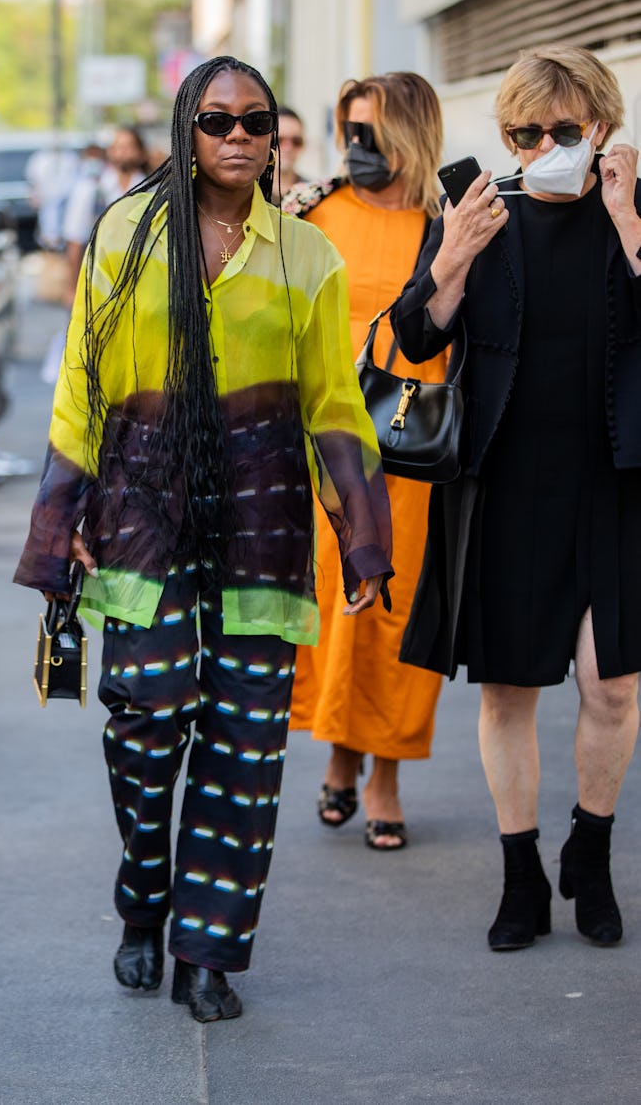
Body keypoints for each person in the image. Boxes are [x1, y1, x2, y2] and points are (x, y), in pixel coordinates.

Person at [14, 55, 393, 1021]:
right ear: (187, 128)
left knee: (247, 744)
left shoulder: (304, 256)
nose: (236, 137)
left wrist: (362, 536)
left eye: (255, 122)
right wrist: (64, 525)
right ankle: (143, 904)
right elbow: (80, 388)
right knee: (144, 728)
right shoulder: (125, 236)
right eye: (217, 120)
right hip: (140, 513)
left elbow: (335, 406)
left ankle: (208, 953)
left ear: (274, 136)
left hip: (263, 527)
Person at [391, 44, 641, 950]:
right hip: (504, 481)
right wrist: (451, 257)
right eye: (525, 132)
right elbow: (416, 335)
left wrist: (626, 222)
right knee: (507, 693)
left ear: (603, 126)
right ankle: (520, 873)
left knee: (611, 684)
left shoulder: (635, 211)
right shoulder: (478, 209)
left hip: (615, 480)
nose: (546, 145)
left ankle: (595, 849)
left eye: (565, 130)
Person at [284, 74, 445, 850]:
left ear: (410, 134)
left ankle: (384, 772)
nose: (357, 150)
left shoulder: (448, 222)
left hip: (412, 442)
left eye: (372, 134)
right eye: (349, 131)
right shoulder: (315, 212)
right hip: (328, 439)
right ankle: (339, 755)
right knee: (335, 601)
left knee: (397, 605)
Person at [62, 127, 151, 304]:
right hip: (100, 288)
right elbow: (75, 240)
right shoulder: (90, 190)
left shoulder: (155, 191)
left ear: (141, 153)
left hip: (145, 287)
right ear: (109, 153)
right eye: (117, 146)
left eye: (129, 146)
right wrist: (72, 289)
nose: (123, 151)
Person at [271, 107, 309, 206]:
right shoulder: (248, 193)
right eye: (279, 140)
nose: (288, 147)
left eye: (296, 141)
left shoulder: (312, 193)